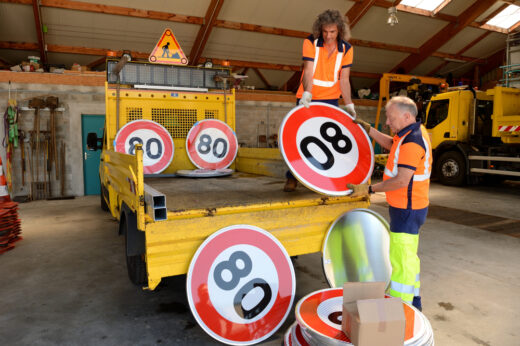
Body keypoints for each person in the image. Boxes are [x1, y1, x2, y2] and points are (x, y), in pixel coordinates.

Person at [348, 96, 432, 311]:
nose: (387, 122)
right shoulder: (408, 134)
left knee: (401, 258)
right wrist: (369, 131)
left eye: (390, 118)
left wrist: (368, 189)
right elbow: (390, 144)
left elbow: (402, 180)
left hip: (407, 208)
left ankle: (400, 307)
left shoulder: (413, 141)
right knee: (409, 256)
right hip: (410, 207)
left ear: (406, 116)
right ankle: (414, 301)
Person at [284, 9, 356, 192]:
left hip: (331, 100)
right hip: (307, 97)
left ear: (339, 30)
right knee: (300, 138)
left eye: (332, 32)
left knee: (327, 139)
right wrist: (307, 93)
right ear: (320, 29)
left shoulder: (347, 49)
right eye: (325, 31)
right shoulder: (310, 42)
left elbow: (344, 79)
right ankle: (292, 177)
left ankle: (321, 179)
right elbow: (308, 70)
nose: (328, 36)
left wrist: (349, 104)